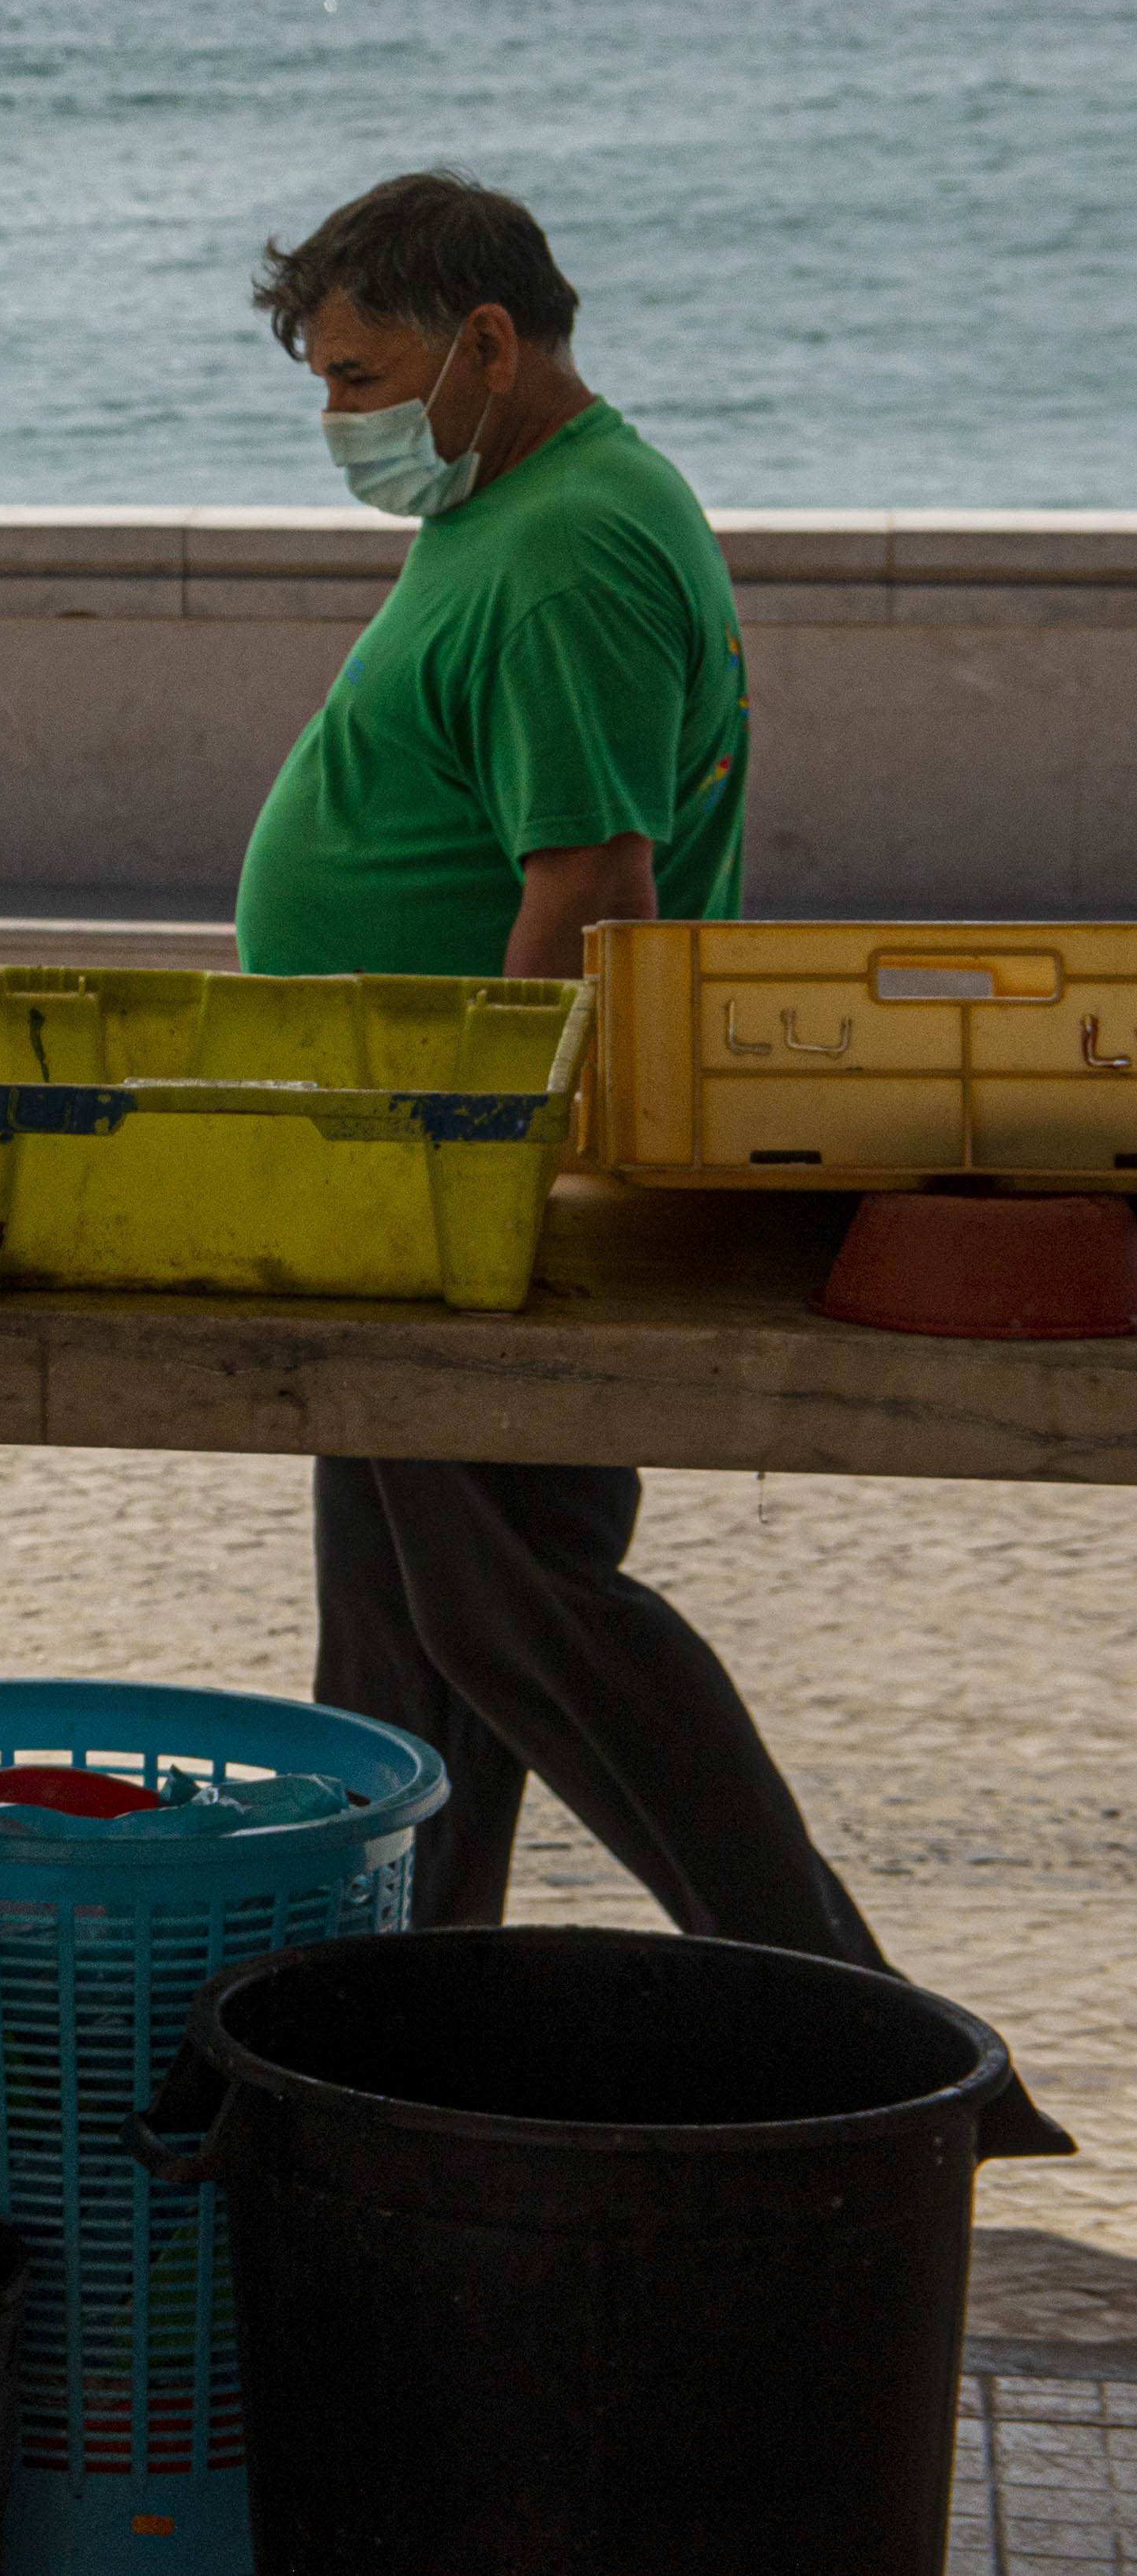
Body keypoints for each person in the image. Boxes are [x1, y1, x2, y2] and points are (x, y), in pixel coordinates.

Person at [235, 170, 1064, 2155]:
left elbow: (592, 890)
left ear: (488, 344)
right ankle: (372, 2055)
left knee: (515, 1610)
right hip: (400, 1166)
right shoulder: (506, 511)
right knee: (400, 1643)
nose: (340, 415)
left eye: (362, 374)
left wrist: (499, 1174)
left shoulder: (569, 550)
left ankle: (863, 2034)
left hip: (470, 1171)